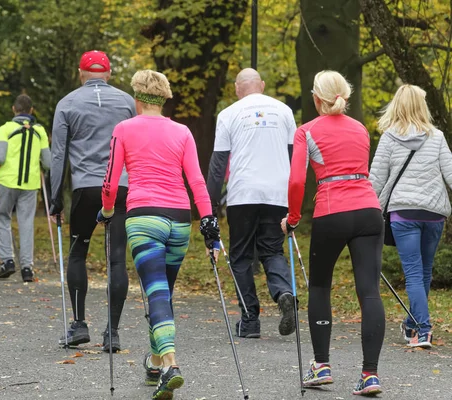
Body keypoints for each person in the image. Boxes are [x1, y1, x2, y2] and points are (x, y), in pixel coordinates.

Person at [98, 69, 219, 400]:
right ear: (165, 98)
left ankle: (171, 365)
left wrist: (107, 212)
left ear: (137, 98)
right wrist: (209, 223)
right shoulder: (182, 132)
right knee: (162, 293)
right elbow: (197, 181)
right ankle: (153, 363)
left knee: (156, 293)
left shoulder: (124, 129)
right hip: (180, 219)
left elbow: (110, 183)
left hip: (143, 217)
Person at [283, 70, 384, 396]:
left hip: (331, 211)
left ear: (316, 97)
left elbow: (297, 181)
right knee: (369, 291)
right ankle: (370, 375)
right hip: (369, 211)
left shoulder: (306, 131)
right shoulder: (361, 130)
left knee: (321, 287)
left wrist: (293, 218)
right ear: (346, 95)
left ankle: (322, 365)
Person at [49, 50, 136, 352]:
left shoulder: (67, 103)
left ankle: (79, 324)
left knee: (78, 253)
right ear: (109, 74)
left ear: (80, 73)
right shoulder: (127, 102)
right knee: (117, 258)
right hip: (121, 186)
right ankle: (112, 332)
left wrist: (55, 197)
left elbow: (58, 154)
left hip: (85, 188)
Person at [206, 68, 296, 339]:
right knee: (272, 251)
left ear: (237, 88)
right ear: (263, 85)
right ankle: (284, 292)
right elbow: (293, 155)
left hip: (242, 195)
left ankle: (250, 320)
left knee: (241, 256)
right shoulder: (284, 111)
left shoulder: (229, 114)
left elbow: (219, 163)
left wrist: (208, 205)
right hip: (277, 193)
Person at [370, 84, 452, 349]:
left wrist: (366, 210)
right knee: (424, 273)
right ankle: (411, 324)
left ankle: (423, 329)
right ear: (422, 106)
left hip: (403, 213)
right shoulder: (436, 136)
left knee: (415, 274)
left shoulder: (389, 138)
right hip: (433, 214)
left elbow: (376, 180)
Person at [0, 94, 51, 282]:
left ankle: (8, 261)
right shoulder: (40, 131)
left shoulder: (5, 129)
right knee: (26, 223)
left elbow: (0, 157)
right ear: (32, 111)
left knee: (3, 218)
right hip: (31, 184)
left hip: (7, 182)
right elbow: (48, 162)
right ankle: (27, 268)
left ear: (14, 109)